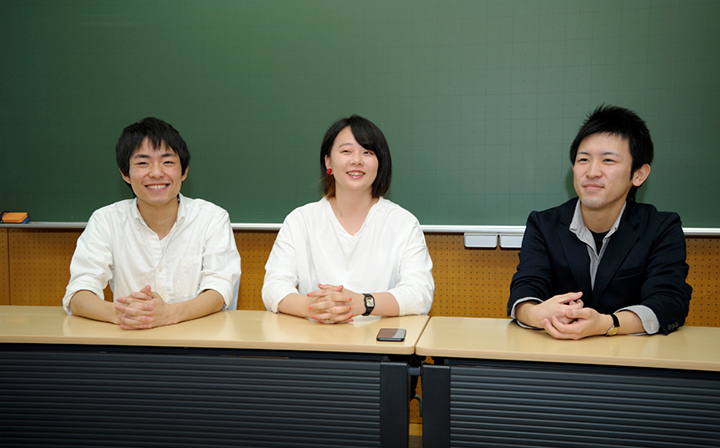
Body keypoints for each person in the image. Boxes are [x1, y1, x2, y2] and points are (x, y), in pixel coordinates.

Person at [507, 105, 692, 339]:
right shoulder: (544, 224)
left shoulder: (660, 227)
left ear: (638, 174)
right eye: (583, 159)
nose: (592, 172)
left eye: (608, 160)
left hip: (631, 355)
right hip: (558, 351)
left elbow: (670, 302)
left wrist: (607, 323)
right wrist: (537, 314)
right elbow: (525, 290)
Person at [62, 117, 241, 329]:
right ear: (125, 173)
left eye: (168, 162)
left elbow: (219, 290)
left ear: (184, 171)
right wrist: (124, 314)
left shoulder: (211, 218)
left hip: (197, 339)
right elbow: (79, 293)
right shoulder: (106, 221)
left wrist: (169, 314)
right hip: (129, 337)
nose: (156, 173)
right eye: (143, 163)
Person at [262, 115, 434, 323]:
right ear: (328, 162)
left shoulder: (403, 223)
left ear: (380, 163)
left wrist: (363, 303)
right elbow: (273, 287)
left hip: (380, 339)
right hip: (315, 336)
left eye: (367, 152)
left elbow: (420, 294)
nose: (357, 160)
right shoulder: (301, 220)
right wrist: (315, 308)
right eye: (346, 151)